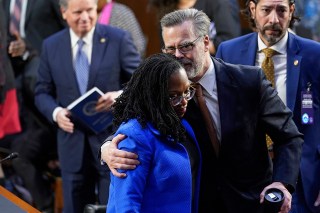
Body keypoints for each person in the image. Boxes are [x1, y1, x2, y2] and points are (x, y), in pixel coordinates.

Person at [101, 8, 303, 213]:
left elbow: (289, 136)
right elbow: (133, 124)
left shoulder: (249, 82)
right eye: (170, 49)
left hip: (252, 204)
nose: (178, 56)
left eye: (186, 46)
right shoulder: (162, 92)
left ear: (206, 42)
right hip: (197, 205)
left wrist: (281, 183)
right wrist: (107, 147)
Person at [34, 0, 141, 212]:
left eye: (90, 11)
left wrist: (119, 97)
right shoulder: (51, 45)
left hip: (111, 142)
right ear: (63, 12)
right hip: (71, 144)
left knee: (109, 206)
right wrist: (56, 113)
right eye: (78, 12)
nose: (85, 17)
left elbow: (140, 83)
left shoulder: (117, 38)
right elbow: (41, 92)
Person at [215, 0, 320, 212]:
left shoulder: (314, 55)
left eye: (281, 10)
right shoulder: (229, 52)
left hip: (302, 175)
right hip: (245, 178)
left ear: (291, 11)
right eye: (266, 10)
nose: (274, 19)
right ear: (252, 10)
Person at [107, 53, 201, 212]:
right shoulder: (134, 135)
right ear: (153, 96)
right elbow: (127, 204)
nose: (183, 102)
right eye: (173, 96)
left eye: (186, 92)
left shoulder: (183, 126)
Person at [1, 0, 66, 210]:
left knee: (24, 152)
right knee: (17, 152)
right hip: (15, 86)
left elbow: (68, 35)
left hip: (51, 99)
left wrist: (30, 48)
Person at [148, 0, 241, 55]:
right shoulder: (165, 9)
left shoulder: (219, 2)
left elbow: (231, 41)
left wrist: (191, 48)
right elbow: (167, 50)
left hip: (217, 69)